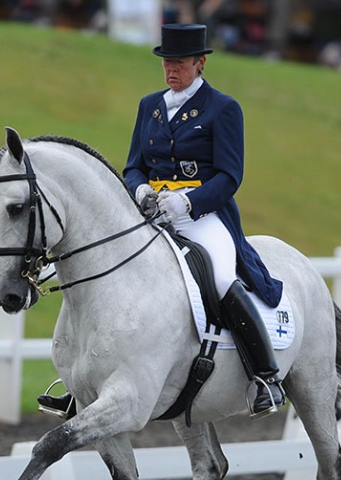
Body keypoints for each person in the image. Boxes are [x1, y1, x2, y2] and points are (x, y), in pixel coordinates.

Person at [38, 23, 285, 420]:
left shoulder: (222, 108)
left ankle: (265, 377)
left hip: (202, 216)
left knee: (222, 279)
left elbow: (229, 176)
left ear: (200, 63)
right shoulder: (149, 105)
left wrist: (186, 202)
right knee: (104, 272)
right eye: (168, 62)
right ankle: (80, 384)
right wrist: (139, 192)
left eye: (180, 63)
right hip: (150, 213)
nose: (172, 70)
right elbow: (133, 165)